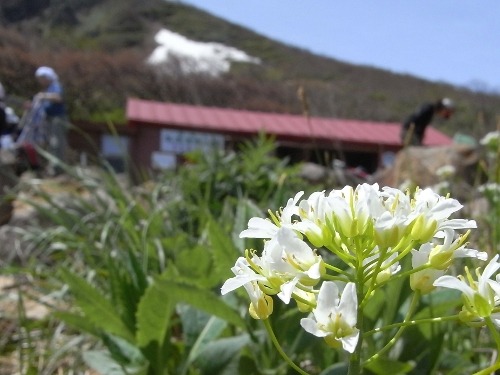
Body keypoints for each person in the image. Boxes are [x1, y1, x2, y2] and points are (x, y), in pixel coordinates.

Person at [33, 66, 68, 173]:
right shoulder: (48, 88)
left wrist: (44, 96)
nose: (40, 81)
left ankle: (58, 168)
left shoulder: (55, 86)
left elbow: (58, 98)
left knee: (57, 143)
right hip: (49, 119)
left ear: (47, 77)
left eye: (41, 78)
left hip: (57, 118)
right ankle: (52, 166)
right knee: (51, 144)